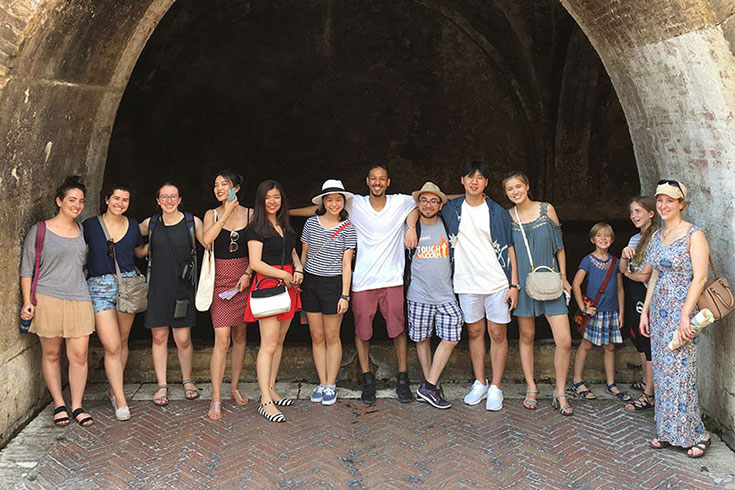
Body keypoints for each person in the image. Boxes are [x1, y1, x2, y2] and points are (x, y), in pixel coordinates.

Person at [292, 164, 417, 404]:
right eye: (373, 179)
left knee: (398, 330)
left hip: (391, 278)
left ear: (388, 182)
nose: (377, 183)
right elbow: (319, 209)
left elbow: (421, 203)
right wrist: (285, 212)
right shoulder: (354, 204)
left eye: (382, 179)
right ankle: (367, 379)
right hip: (362, 280)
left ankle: (403, 378)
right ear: (367, 181)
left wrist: (411, 226)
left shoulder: (399, 202)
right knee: (362, 331)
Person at [640, 180, 711, 458]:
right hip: (659, 312)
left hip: (683, 311)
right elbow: (655, 275)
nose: (663, 206)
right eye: (660, 201)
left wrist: (685, 316)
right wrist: (645, 311)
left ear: (681, 203)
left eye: (670, 201)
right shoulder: (657, 236)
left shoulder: (694, 234)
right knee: (663, 372)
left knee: (682, 372)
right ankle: (669, 431)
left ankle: (697, 433)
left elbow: (700, 277)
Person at [441, 160, 519, 411]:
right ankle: (479, 382)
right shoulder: (452, 208)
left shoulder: (497, 212)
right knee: (474, 333)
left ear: (487, 183)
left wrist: (514, 284)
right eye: (469, 177)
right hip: (466, 282)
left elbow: (509, 248)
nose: (474, 181)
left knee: (498, 334)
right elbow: (426, 201)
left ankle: (496, 386)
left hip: (497, 281)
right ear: (462, 180)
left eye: (480, 178)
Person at [20, 176, 96, 427]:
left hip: (79, 297)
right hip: (47, 297)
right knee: (51, 353)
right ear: (59, 201)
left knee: (79, 355)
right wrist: (26, 301)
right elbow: (27, 269)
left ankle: (77, 405)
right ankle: (58, 403)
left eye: (81, 201)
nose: (77, 205)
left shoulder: (82, 230)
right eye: (72, 200)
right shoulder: (40, 230)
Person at [503, 172, 573, 416]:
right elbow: (508, 252)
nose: (515, 192)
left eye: (518, 186)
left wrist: (564, 278)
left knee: (564, 339)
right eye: (510, 189)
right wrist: (512, 284)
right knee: (527, 336)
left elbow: (560, 247)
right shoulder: (508, 216)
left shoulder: (547, 210)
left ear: (527, 185)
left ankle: (560, 391)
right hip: (523, 283)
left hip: (550, 280)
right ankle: (531, 387)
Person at [83, 183, 146, 421]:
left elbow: (139, 252)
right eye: (116, 199)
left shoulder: (132, 226)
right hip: (99, 287)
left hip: (127, 285)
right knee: (111, 345)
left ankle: (113, 388)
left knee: (121, 340)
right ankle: (120, 398)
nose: (120, 203)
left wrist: (165, 240)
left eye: (125, 200)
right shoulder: (90, 225)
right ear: (107, 199)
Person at [139, 181, 205, 407]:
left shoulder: (191, 222)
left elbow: (209, 242)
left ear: (179, 199)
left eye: (173, 196)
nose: (169, 201)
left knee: (183, 339)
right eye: (164, 197)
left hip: (182, 289)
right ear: (157, 200)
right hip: (157, 288)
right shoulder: (151, 224)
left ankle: (187, 380)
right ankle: (162, 385)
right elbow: (132, 242)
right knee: (159, 337)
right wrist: (145, 249)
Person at [244, 180, 303, 422]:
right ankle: (265, 401)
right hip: (269, 285)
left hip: (288, 285)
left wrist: (298, 267)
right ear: (260, 200)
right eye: (268, 197)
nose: (272, 201)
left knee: (279, 341)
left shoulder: (283, 224)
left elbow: (291, 251)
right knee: (268, 344)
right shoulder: (256, 228)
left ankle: (271, 388)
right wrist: (284, 274)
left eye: (277, 197)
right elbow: (256, 263)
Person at [201, 171, 254, 420]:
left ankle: (234, 386)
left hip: (244, 278)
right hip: (220, 281)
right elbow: (206, 239)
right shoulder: (211, 214)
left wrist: (248, 272)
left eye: (225, 184)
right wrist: (227, 213)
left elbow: (258, 250)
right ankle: (215, 398)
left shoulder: (252, 214)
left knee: (241, 334)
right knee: (222, 339)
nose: (219, 187)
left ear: (237, 188)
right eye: (216, 184)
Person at [406, 182, 463, 409]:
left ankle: (428, 386)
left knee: (452, 335)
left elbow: (458, 200)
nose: (428, 205)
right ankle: (430, 388)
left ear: (440, 205)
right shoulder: (411, 225)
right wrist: (411, 225)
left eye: (433, 201)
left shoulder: (448, 223)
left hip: (446, 294)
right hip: (418, 293)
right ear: (417, 204)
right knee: (422, 340)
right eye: (423, 200)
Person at [300, 179, 357, 406]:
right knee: (317, 336)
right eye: (330, 199)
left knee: (333, 336)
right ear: (323, 201)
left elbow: (346, 265)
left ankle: (331, 384)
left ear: (344, 202)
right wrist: (299, 277)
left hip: (334, 285)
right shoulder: (311, 224)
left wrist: (345, 295)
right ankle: (322, 382)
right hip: (311, 283)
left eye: (338, 200)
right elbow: (304, 254)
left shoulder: (349, 228)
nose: (334, 204)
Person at [570, 222, 629, 402]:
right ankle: (577, 380)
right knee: (586, 345)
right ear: (592, 239)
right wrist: (583, 307)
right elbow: (575, 284)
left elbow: (620, 289)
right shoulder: (588, 260)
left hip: (611, 312)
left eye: (607, 236)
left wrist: (621, 312)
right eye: (599, 235)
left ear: (612, 240)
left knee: (610, 347)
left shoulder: (616, 262)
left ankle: (611, 383)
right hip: (594, 312)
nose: (603, 239)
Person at [619, 196, 657, 412]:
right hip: (635, 295)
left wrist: (630, 273)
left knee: (648, 343)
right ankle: (646, 381)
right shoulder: (634, 239)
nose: (634, 216)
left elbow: (644, 276)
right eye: (631, 211)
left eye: (638, 211)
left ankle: (649, 395)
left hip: (647, 296)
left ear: (651, 213)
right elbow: (622, 269)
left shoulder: (655, 238)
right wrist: (625, 257)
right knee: (639, 341)